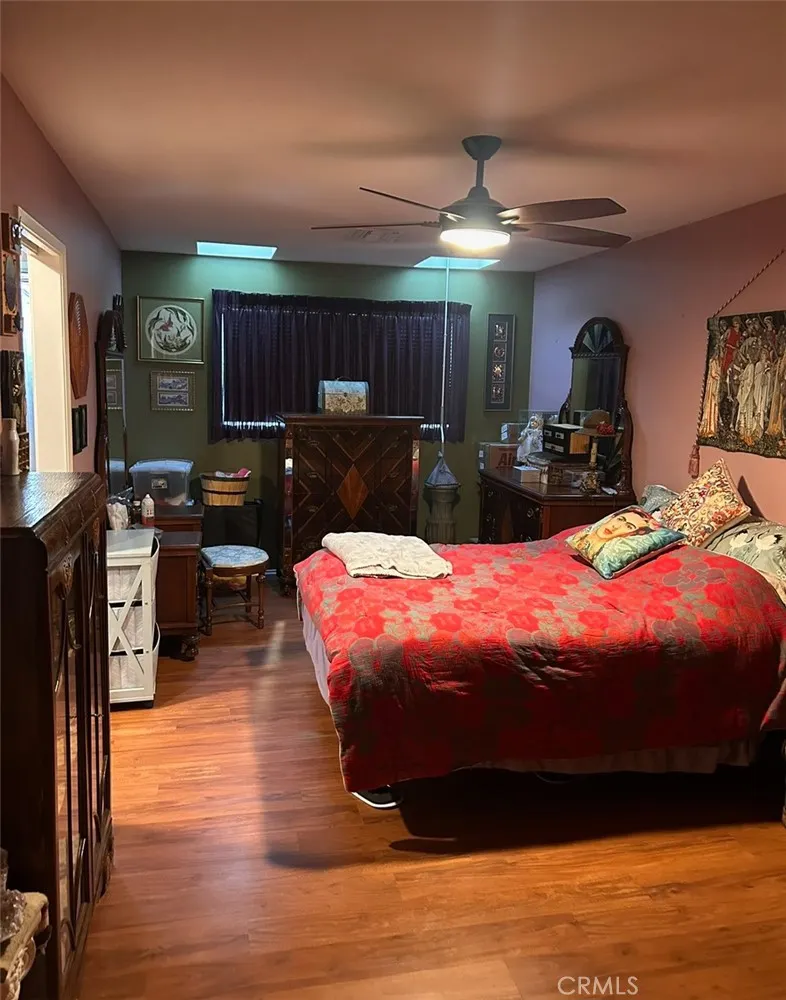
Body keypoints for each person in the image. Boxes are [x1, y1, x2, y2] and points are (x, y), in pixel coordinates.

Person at [699, 332, 724, 439]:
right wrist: (719, 376)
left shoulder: (718, 362)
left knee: (715, 405)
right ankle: (708, 427)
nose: (719, 354)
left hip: (716, 385)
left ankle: (713, 427)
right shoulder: (713, 362)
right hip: (712, 386)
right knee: (711, 404)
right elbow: (713, 374)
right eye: (718, 351)